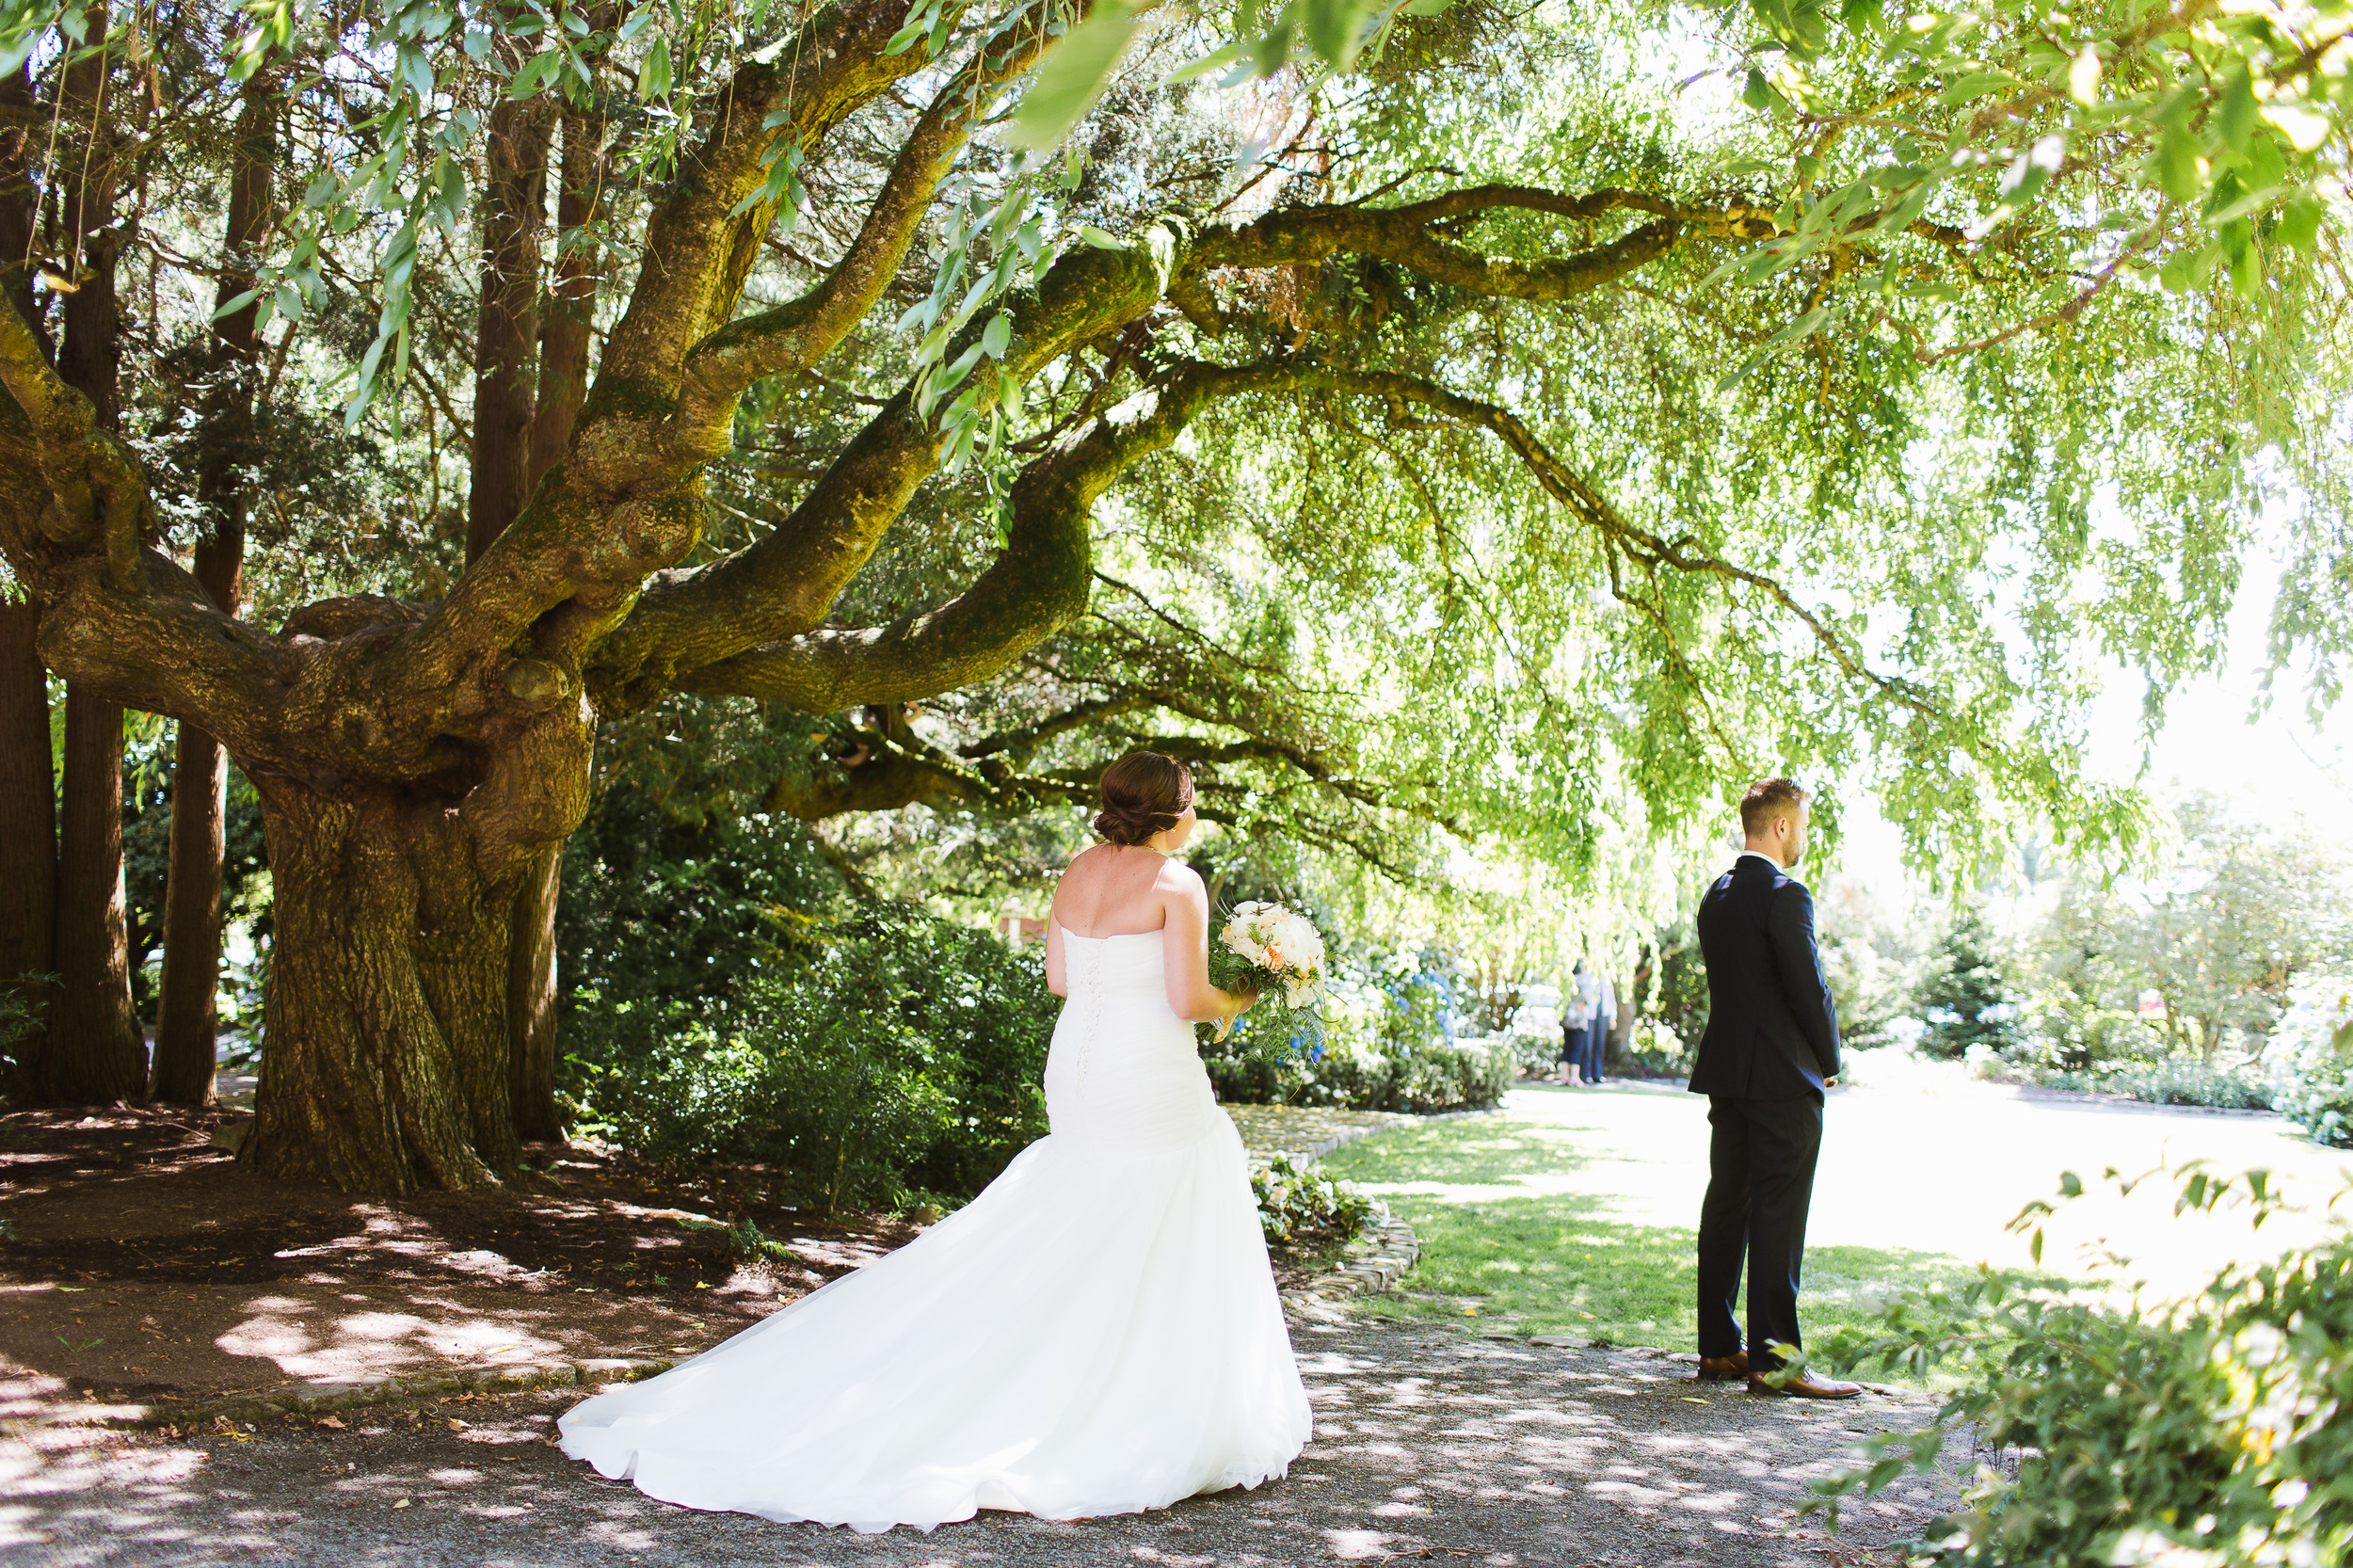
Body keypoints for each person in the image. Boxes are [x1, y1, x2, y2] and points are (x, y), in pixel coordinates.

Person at [558, 750, 1311, 1529]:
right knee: (1167, 1189)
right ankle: (1134, 1398)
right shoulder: (1178, 884)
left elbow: (1059, 977)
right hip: (1145, 1068)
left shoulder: (1080, 871)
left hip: (1079, 1063)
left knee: (1094, 1199)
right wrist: (1250, 990)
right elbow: (1189, 998)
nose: (1196, 813)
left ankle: (1077, 1375)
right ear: (1171, 810)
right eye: (1193, 801)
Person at [1685, 777, 1860, 1400]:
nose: (1803, 837)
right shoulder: (1787, 894)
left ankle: (1719, 1348)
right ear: (1782, 826)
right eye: (1802, 824)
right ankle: (1775, 1362)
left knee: (1727, 1204)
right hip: (1783, 1078)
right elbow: (1807, 986)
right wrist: (1830, 1058)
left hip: (1728, 1076)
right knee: (1779, 1218)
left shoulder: (1718, 895)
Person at [1556, 960, 1594, 1084]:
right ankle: (1574, 1077)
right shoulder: (1584, 983)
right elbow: (1588, 998)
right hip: (1578, 1022)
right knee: (1577, 1049)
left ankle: (1564, 1076)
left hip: (1567, 1020)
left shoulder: (1567, 982)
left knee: (1567, 1047)